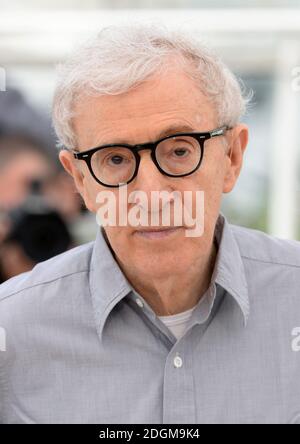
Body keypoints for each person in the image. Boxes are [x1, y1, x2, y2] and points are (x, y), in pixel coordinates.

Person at [0, 22, 300, 424]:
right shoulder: (12, 333)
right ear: (80, 181)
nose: (151, 195)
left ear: (232, 158)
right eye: (116, 159)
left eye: (179, 150)